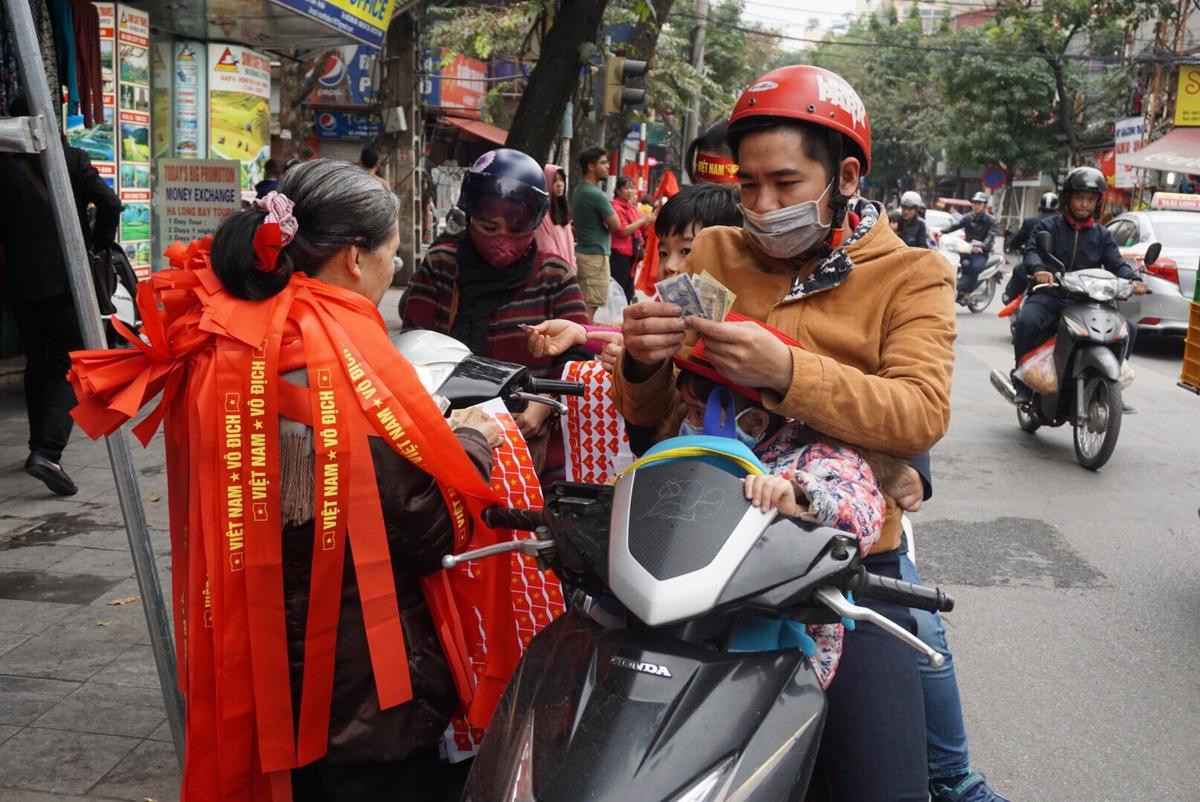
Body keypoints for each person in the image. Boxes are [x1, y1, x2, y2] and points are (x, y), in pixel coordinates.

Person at [66, 159, 515, 800]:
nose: (395, 270)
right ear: (355, 259)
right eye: (392, 253)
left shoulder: (227, 336)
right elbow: (426, 528)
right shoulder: (343, 356)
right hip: (363, 684)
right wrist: (471, 438)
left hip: (258, 661)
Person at [613, 64, 960, 800]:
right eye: (747, 185)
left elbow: (921, 413)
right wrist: (640, 363)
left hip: (839, 563)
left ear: (847, 176)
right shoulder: (712, 253)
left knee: (881, 783)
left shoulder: (913, 275)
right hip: (694, 540)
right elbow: (654, 419)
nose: (761, 206)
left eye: (786, 183)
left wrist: (789, 372)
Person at [399, 147, 588, 484]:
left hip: (530, 440)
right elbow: (414, 342)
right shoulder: (443, 263)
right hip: (448, 433)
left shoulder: (554, 274)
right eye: (488, 227)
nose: (502, 241)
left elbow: (579, 352)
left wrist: (543, 404)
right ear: (469, 216)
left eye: (515, 231)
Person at [0, 95, 121, 496]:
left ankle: (38, 445)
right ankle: (48, 452)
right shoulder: (73, 158)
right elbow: (110, 202)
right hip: (68, 277)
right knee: (74, 363)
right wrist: (100, 243)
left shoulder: (4, 166)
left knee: (39, 361)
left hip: (20, 283)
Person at [1011, 167, 1147, 402]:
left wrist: (1134, 279)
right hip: (1050, 295)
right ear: (1068, 198)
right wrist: (1040, 270)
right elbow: (1032, 251)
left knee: (1129, 329)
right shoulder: (1048, 227)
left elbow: (1116, 263)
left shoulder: (1102, 235)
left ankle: (1109, 385)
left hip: (1087, 301)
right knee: (1027, 321)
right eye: (1079, 198)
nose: (1084, 204)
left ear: (1097, 203)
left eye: (1090, 199)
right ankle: (1022, 380)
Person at [571, 146, 622, 320]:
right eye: (603, 162)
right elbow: (616, 224)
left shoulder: (579, 190)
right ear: (591, 167)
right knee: (589, 308)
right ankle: (581, 343)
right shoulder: (596, 195)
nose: (607, 166)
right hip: (594, 257)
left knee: (584, 304)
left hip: (584, 253)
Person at [1002, 192, 1058, 303]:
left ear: (1039, 206)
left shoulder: (1030, 222)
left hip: (1033, 267)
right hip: (1057, 269)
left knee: (1018, 270)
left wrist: (1012, 246)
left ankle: (1010, 299)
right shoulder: (1060, 223)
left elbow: (1017, 240)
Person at [941, 191, 996, 300]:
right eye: (974, 203)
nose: (976, 206)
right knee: (952, 261)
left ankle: (968, 292)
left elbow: (990, 236)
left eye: (979, 203)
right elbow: (954, 226)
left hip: (981, 253)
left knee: (974, 268)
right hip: (967, 249)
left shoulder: (991, 220)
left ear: (984, 205)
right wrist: (941, 232)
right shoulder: (967, 217)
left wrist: (982, 246)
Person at [610, 176, 655, 301]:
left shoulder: (631, 207)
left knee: (628, 291)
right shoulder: (616, 208)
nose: (630, 191)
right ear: (618, 190)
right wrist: (642, 220)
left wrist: (649, 221)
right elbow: (623, 231)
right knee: (618, 291)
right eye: (626, 188)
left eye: (632, 188)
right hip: (619, 256)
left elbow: (639, 230)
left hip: (632, 257)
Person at [534, 163, 576, 272]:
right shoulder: (542, 216)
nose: (559, 184)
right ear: (547, 182)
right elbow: (548, 250)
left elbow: (570, 247)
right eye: (554, 180)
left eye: (562, 180)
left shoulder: (564, 213)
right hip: (554, 274)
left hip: (568, 273)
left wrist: (572, 270)